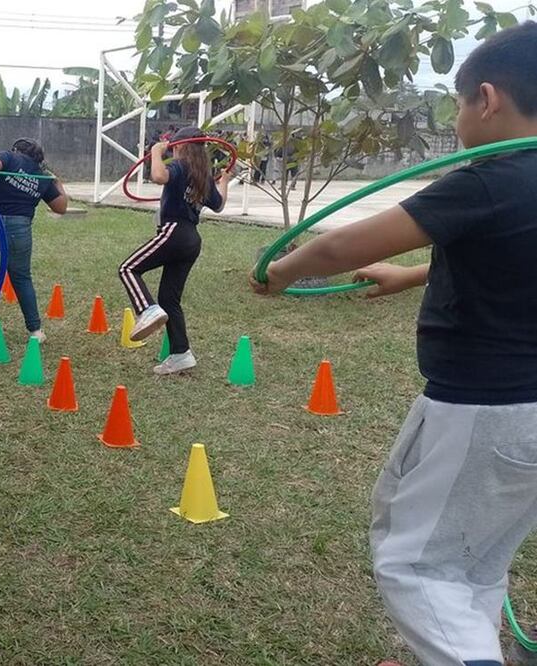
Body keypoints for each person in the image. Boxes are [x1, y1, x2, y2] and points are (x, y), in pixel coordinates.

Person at [252, 22, 537, 666]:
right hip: (518, 410)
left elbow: (339, 244)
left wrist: (278, 273)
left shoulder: (488, 179)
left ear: (486, 99)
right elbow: (507, 259)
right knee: (474, 556)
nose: (460, 119)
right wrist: (408, 276)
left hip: (483, 407)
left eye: (459, 104)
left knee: (417, 565)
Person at [118, 126, 230, 375]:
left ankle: (146, 309)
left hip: (174, 232)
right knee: (170, 299)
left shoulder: (180, 166)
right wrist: (224, 183)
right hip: (191, 240)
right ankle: (181, 353)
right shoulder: (202, 176)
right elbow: (219, 204)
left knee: (127, 268)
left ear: (179, 147)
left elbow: (158, 176)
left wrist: (156, 152)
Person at [0, 138, 68, 341]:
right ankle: (36, 331)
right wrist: (56, 181)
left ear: (17, 150)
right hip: (19, 228)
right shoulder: (41, 176)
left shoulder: (10, 157)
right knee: (22, 278)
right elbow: (61, 207)